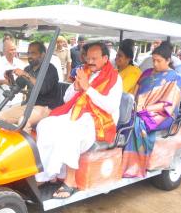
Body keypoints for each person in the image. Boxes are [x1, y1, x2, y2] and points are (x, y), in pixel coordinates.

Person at [35, 42, 122, 199]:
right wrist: (76, 86)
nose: (90, 61)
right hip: (77, 113)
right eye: (88, 58)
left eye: (94, 58)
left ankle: (70, 181)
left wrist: (88, 88)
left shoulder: (115, 78)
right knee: (45, 125)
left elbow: (110, 107)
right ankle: (46, 174)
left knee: (71, 131)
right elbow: (66, 98)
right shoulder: (85, 71)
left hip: (99, 121)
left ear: (105, 58)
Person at [123, 41, 181, 178]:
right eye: (153, 60)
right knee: (122, 119)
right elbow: (135, 93)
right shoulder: (146, 73)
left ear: (168, 60)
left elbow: (169, 105)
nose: (155, 64)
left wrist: (143, 110)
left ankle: (134, 166)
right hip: (139, 109)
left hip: (162, 114)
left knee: (135, 123)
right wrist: (132, 107)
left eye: (159, 61)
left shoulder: (176, 78)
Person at [0, 41, 61, 133]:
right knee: (1, 117)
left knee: (23, 122)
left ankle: (27, 146)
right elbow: (18, 86)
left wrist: (25, 75)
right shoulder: (28, 69)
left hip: (46, 107)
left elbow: (42, 89)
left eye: (33, 53)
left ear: (42, 55)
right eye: (28, 53)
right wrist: (10, 78)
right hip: (30, 105)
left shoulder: (50, 69)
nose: (29, 56)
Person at [0, 40, 27, 110]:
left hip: (17, 101)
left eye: (15, 49)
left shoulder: (20, 63)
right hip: (1, 101)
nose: (14, 51)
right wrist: (4, 81)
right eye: (11, 49)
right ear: (5, 51)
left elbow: (25, 79)